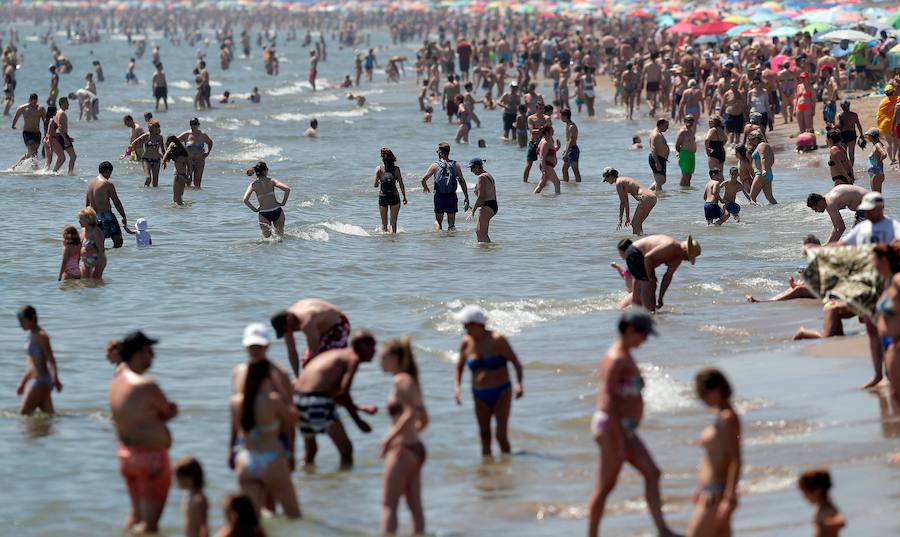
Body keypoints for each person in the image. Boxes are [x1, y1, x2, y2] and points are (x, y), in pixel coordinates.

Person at [588, 308, 679, 537]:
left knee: (652, 472)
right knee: (606, 486)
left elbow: (624, 390)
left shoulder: (625, 354)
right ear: (630, 330)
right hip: (612, 427)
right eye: (644, 334)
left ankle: (663, 530)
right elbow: (607, 400)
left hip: (623, 429)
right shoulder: (616, 358)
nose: (646, 339)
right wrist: (618, 439)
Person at [109, 331, 177, 535]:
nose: (153, 356)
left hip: (126, 455)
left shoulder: (117, 381)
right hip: (150, 459)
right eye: (149, 351)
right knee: (150, 526)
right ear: (138, 354)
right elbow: (167, 411)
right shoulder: (146, 385)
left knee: (136, 514)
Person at [229, 324, 300, 518]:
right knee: (269, 515)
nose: (255, 350)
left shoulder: (280, 373)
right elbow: (237, 417)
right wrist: (232, 450)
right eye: (252, 346)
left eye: (258, 346)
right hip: (251, 449)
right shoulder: (238, 372)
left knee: (266, 511)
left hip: (272, 445)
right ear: (245, 346)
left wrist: (291, 452)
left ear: (267, 346)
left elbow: (289, 424)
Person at [293, 331, 378, 467]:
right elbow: (343, 393)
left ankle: (305, 482)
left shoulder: (336, 354)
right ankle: (345, 485)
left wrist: (359, 407)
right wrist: (358, 422)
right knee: (346, 450)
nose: (375, 352)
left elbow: (334, 394)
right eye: (373, 347)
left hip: (298, 401)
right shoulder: (353, 358)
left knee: (311, 451)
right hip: (317, 401)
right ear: (363, 346)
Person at [453, 305, 524, 457]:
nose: (464, 327)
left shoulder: (498, 340)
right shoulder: (466, 342)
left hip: (501, 392)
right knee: (484, 436)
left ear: (476, 324)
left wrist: (519, 384)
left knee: (500, 436)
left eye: (466, 324)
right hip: (479, 395)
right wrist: (457, 388)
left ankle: (507, 468)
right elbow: (458, 368)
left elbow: (516, 363)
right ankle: (487, 477)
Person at [379, 337, 428, 535]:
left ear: (394, 358)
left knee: (389, 505)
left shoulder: (401, 380)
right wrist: (411, 434)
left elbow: (410, 413)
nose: (379, 361)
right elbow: (424, 419)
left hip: (403, 450)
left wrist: (389, 439)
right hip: (415, 448)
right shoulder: (411, 381)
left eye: (382, 357)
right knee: (415, 506)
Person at [686, 369, 741, 537]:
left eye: (702, 392)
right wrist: (700, 488)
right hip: (709, 491)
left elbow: (735, 459)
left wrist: (729, 497)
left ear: (717, 389)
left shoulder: (728, 418)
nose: (700, 398)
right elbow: (714, 458)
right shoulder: (721, 417)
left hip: (716, 494)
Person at [618, 234, 701, 312]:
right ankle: (649, 312)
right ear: (685, 251)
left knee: (645, 282)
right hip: (635, 252)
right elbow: (648, 257)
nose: (687, 260)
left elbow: (667, 277)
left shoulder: (678, 258)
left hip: (640, 257)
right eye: (688, 258)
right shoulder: (670, 246)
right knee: (650, 284)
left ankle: (637, 309)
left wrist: (661, 298)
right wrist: (650, 276)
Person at [270, 298, 351, 376]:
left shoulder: (307, 321)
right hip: (319, 328)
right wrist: (297, 377)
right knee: (306, 364)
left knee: (328, 363)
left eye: (286, 329)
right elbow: (292, 351)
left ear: (289, 320)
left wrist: (311, 375)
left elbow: (315, 352)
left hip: (337, 324)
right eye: (284, 331)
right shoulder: (286, 325)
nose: (288, 332)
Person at [15, 305, 62, 415]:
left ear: (32, 319)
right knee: (49, 416)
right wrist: (23, 382)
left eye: (22, 321)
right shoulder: (31, 335)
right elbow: (31, 363)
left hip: (40, 380)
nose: (20, 324)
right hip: (38, 380)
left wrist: (55, 379)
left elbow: (51, 360)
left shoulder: (42, 335)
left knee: (24, 413)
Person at [420, 142, 470, 231]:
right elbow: (462, 181)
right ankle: (451, 241)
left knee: (438, 221)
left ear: (440, 152)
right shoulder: (456, 165)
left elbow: (423, 179)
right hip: (451, 196)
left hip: (439, 196)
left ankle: (438, 237)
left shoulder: (435, 165)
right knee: (451, 224)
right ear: (448, 152)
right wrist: (466, 197)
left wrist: (425, 187)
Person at [872, 243, 900, 406]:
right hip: (888, 346)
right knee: (895, 395)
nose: (871, 264)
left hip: (897, 346)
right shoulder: (886, 283)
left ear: (883, 260)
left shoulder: (897, 280)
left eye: (873, 260)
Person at [243, 161, 290, 239]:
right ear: (264, 171)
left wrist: (254, 209)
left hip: (264, 214)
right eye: (267, 169)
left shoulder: (253, 185)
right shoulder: (272, 181)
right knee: (280, 238)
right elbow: (287, 189)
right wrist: (283, 203)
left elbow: (245, 200)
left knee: (267, 241)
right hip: (277, 211)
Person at [85, 161, 127, 248]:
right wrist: (123, 216)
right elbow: (116, 202)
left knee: (99, 244)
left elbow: (87, 205)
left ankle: (102, 258)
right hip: (106, 216)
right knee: (118, 241)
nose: (110, 176)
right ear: (107, 171)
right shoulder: (107, 184)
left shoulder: (89, 184)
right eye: (110, 173)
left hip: (94, 217)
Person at [603, 167, 656, 236]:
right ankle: (643, 240)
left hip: (646, 198)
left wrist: (620, 219)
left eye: (606, 179)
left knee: (635, 224)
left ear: (610, 176)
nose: (606, 181)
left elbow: (622, 203)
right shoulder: (623, 180)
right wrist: (627, 217)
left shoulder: (618, 183)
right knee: (637, 224)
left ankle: (638, 244)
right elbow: (626, 202)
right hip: (652, 197)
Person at [798, 469, 846, 537]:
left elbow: (841, 521)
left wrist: (825, 523)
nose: (804, 497)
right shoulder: (823, 507)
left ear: (817, 491)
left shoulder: (826, 508)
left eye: (805, 493)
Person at [373, 148, 407, 234]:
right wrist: (404, 197)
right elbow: (401, 184)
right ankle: (393, 242)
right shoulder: (396, 169)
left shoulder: (379, 169)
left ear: (382, 158)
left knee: (384, 225)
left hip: (383, 197)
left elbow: (375, 185)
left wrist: (379, 180)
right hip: (394, 197)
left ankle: (385, 243)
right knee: (393, 224)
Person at [173, 457, 209, 537]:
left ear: (189, 478)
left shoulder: (198, 500)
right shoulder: (187, 495)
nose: (176, 482)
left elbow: (204, 526)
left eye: (178, 478)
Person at [10, 93, 45, 167]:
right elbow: (16, 117)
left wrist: (47, 132)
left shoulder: (40, 108)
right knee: (31, 150)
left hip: (37, 133)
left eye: (36, 102)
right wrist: (13, 125)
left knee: (34, 152)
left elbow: (45, 121)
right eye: (33, 102)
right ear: (29, 100)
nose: (35, 103)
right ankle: (17, 165)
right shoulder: (23, 108)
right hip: (27, 133)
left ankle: (34, 168)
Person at [467, 158, 497, 243]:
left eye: (471, 168)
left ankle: (486, 253)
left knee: (481, 233)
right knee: (479, 232)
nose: (471, 171)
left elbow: (481, 197)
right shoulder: (488, 175)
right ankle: (485, 252)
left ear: (477, 167)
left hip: (486, 206)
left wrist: (473, 211)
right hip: (492, 205)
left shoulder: (481, 177)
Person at [178, 118, 213, 188]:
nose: (193, 126)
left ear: (198, 125)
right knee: (188, 181)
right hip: (189, 161)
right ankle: (189, 197)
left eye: (195, 124)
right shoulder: (186, 134)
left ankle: (197, 198)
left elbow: (210, 142)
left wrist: (208, 152)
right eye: (191, 124)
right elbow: (175, 141)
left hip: (200, 161)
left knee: (197, 183)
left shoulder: (203, 135)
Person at [131, 119, 163, 188]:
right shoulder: (146, 136)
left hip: (156, 160)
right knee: (148, 178)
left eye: (158, 126)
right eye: (156, 126)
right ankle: (145, 194)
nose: (158, 128)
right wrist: (135, 151)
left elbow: (163, 150)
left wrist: (165, 160)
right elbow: (134, 142)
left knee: (155, 182)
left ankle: (154, 198)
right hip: (146, 159)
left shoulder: (160, 138)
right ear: (151, 127)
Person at [748, 131, 777, 205]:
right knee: (770, 198)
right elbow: (772, 160)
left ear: (755, 139)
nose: (749, 142)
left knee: (752, 197)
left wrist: (763, 169)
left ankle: (754, 215)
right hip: (767, 174)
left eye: (750, 140)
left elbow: (762, 157)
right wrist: (767, 169)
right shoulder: (766, 145)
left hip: (761, 174)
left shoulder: (761, 145)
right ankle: (779, 212)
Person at [162, 136, 191, 205]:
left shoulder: (173, 153)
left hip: (177, 176)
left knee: (176, 199)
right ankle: (182, 213)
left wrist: (168, 149)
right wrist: (188, 176)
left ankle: (176, 214)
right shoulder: (183, 152)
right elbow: (189, 165)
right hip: (184, 176)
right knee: (180, 198)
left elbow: (163, 160)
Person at [78, 207, 106, 279]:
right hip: (84, 260)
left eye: (81, 219)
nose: (79, 221)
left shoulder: (96, 231)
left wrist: (98, 264)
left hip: (96, 260)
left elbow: (101, 250)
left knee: (95, 283)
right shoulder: (82, 231)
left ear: (88, 219)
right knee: (85, 283)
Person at [51, 97, 76, 174]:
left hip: (60, 136)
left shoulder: (57, 112)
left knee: (62, 158)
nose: (68, 104)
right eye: (66, 103)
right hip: (62, 136)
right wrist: (65, 139)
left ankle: (54, 171)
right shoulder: (62, 113)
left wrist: (67, 137)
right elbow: (60, 128)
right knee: (73, 156)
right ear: (62, 103)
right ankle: (70, 173)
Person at [535, 124, 561, 194]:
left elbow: (550, 152)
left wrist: (557, 147)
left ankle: (534, 197)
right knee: (557, 182)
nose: (553, 131)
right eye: (552, 130)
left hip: (547, 166)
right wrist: (544, 171)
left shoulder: (548, 140)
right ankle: (557, 199)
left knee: (542, 184)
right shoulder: (545, 143)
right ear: (547, 132)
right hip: (546, 166)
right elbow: (542, 157)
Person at [836, 100, 864, 165]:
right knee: (851, 154)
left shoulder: (840, 115)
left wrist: (833, 126)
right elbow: (858, 125)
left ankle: (846, 169)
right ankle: (851, 169)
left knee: (843, 153)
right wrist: (861, 135)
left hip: (843, 135)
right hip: (852, 134)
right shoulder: (854, 115)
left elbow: (839, 126)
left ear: (841, 107)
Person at [675, 115, 697, 187]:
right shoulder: (683, 131)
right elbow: (677, 145)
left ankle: (687, 191)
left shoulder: (691, 131)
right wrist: (682, 154)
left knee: (689, 175)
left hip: (691, 155)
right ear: (684, 121)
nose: (690, 122)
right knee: (685, 175)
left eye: (692, 120)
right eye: (688, 120)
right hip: (685, 154)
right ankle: (682, 191)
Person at [560, 108, 581, 183]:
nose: (560, 117)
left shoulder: (571, 126)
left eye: (561, 116)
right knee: (564, 169)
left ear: (565, 116)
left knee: (575, 170)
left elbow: (571, 140)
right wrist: (565, 150)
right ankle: (567, 185)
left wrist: (566, 152)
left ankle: (579, 186)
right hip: (570, 150)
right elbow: (568, 140)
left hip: (573, 150)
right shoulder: (568, 125)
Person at [648, 118, 669, 191]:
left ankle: (648, 191)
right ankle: (659, 197)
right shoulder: (655, 134)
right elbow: (653, 149)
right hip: (656, 158)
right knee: (659, 181)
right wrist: (657, 162)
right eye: (666, 126)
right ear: (661, 125)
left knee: (662, 180)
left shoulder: (659, 133)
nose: (667, 128)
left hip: (661, 158)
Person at [864, 128, 887, 193]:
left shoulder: (877, 145)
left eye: (868, 135)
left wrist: (879, 162)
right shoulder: (875, 144)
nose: (867, 137)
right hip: (875, 173)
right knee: (877, 196)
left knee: (875, 196)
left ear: (871, 136)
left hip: (876, 173)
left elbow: (884, 154)